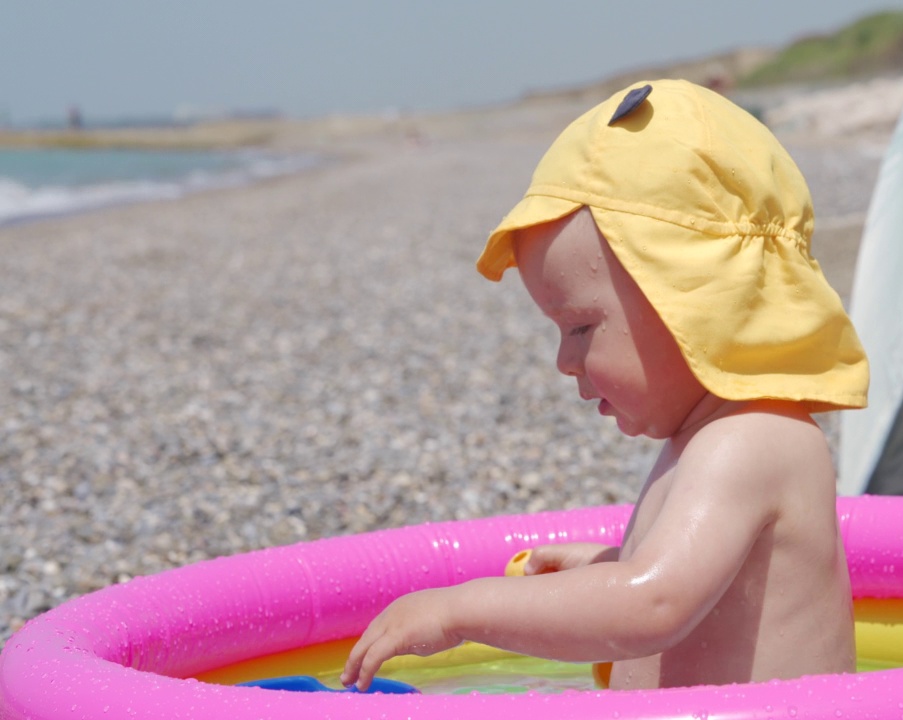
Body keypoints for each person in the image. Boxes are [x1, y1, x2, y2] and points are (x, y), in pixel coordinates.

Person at [341, 79, 869, 692]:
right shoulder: (709, 440)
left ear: (691, 302)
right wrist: (610, 566)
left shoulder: (749, 443)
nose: (564, 361)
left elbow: (654, 606)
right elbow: (702, 589)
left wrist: (459, 611)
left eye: (581, 326)